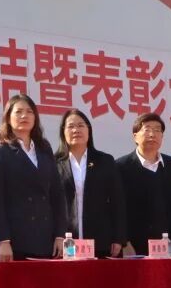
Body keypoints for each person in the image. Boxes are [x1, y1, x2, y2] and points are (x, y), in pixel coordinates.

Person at [0, 93, 67, 261]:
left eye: (30, 112)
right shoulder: (1, 151)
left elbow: (57, 195)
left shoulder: (44, 148)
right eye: (18, 112)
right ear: (8, 118)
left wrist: (60, 235)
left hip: (46, 238)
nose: (24, 116)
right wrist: (3, 240)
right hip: (16, 240)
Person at [54, 109, 128, 257]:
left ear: (89, 131)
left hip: (101, 240)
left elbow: (117, 201)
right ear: (63, 132)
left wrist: (118, 238)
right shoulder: (54, 163)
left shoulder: (105, 161)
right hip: (67, 241)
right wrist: (56, 236)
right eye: (71, 126)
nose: (76, 130)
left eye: (81, 125)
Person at [116, 112, 171, 256]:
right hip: (135, 247)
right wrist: (125, 242)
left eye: (157, 130)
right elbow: (118, 209)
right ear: (135, 136)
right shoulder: (121, 166)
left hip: (170, 245)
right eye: (147, 129)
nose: (152, 134)